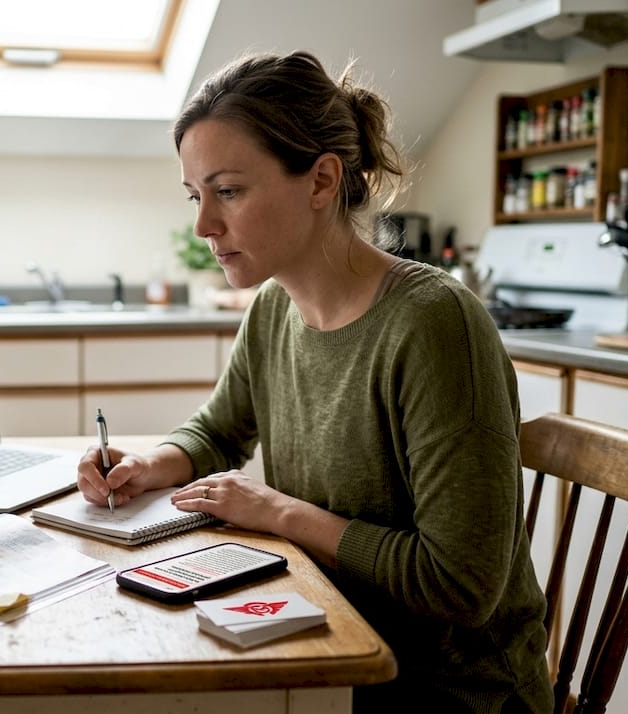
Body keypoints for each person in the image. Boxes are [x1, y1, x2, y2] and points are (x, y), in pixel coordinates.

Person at [76, 50, 552, 713]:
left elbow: (461, 585)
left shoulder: (436, 325)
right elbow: (219, 430)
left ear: (322, 180)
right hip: (330, 642)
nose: (204, 226)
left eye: (230, 191)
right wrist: (150, 464)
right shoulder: (275, 308)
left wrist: (279, 512)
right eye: (197, 195)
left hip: (443, 690)